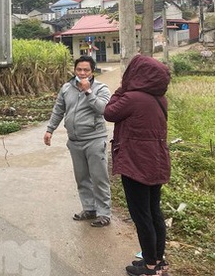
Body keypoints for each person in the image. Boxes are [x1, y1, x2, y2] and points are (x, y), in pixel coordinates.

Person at [104, 55, 171, 276]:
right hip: (157, 161)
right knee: (154, 212)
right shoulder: (160, 99)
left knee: (141, 215)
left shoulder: (131, 97)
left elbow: (109, 113)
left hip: (136, 162)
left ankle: (149, 266)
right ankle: (159, 261)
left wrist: (121, 89)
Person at [44, 55, 112, 227]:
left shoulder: (101, 88)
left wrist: (88, 91)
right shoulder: (67, 88)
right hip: (74, 140)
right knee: (82, 177)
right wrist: (50, 129)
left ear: (92, 71)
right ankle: (89, 209)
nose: (82, 73)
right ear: (74, 70)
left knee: (99, 178)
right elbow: (58, 109)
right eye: (79, 70)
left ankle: (104, 213)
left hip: (94, 140)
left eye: (86, 70)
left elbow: (103, 109)